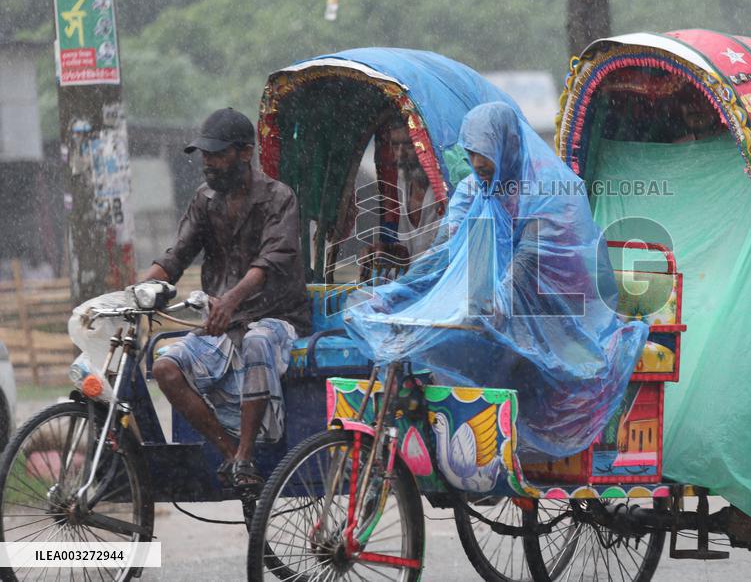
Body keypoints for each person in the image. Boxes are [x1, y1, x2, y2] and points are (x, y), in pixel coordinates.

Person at [344, 102, 648, 461]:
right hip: (496, 305)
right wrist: (395, 296)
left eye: (484, 156)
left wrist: (488, 306)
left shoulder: (550, 191)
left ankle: (498, 446)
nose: (476, 166)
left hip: (560, 311)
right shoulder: (475, 189)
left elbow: (529, 263)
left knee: (484, 347)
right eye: (471, 155)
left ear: (508, 146)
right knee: (435, 346)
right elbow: (444, 252)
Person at [140, 108, 310, 495]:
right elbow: (176, 256)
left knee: (257, 340)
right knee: (165, 367)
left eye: (217, 155)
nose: (208, 163)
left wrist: (231, 300)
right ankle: (231, 454)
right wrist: (135, 292)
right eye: (205, 155)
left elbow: (269, 261)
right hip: (223, 323)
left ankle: (247, 455)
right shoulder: (205, 200)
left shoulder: (279, 198)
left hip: (277, 317)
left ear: (245, 153)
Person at [362, 115, 444, 271]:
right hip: (414, 279)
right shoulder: (403, 180)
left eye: (409, 145)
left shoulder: (444, 187)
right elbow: (408, 249)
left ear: (426, 145)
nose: (400, 154)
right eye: (395, 145)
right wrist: (388, 251)